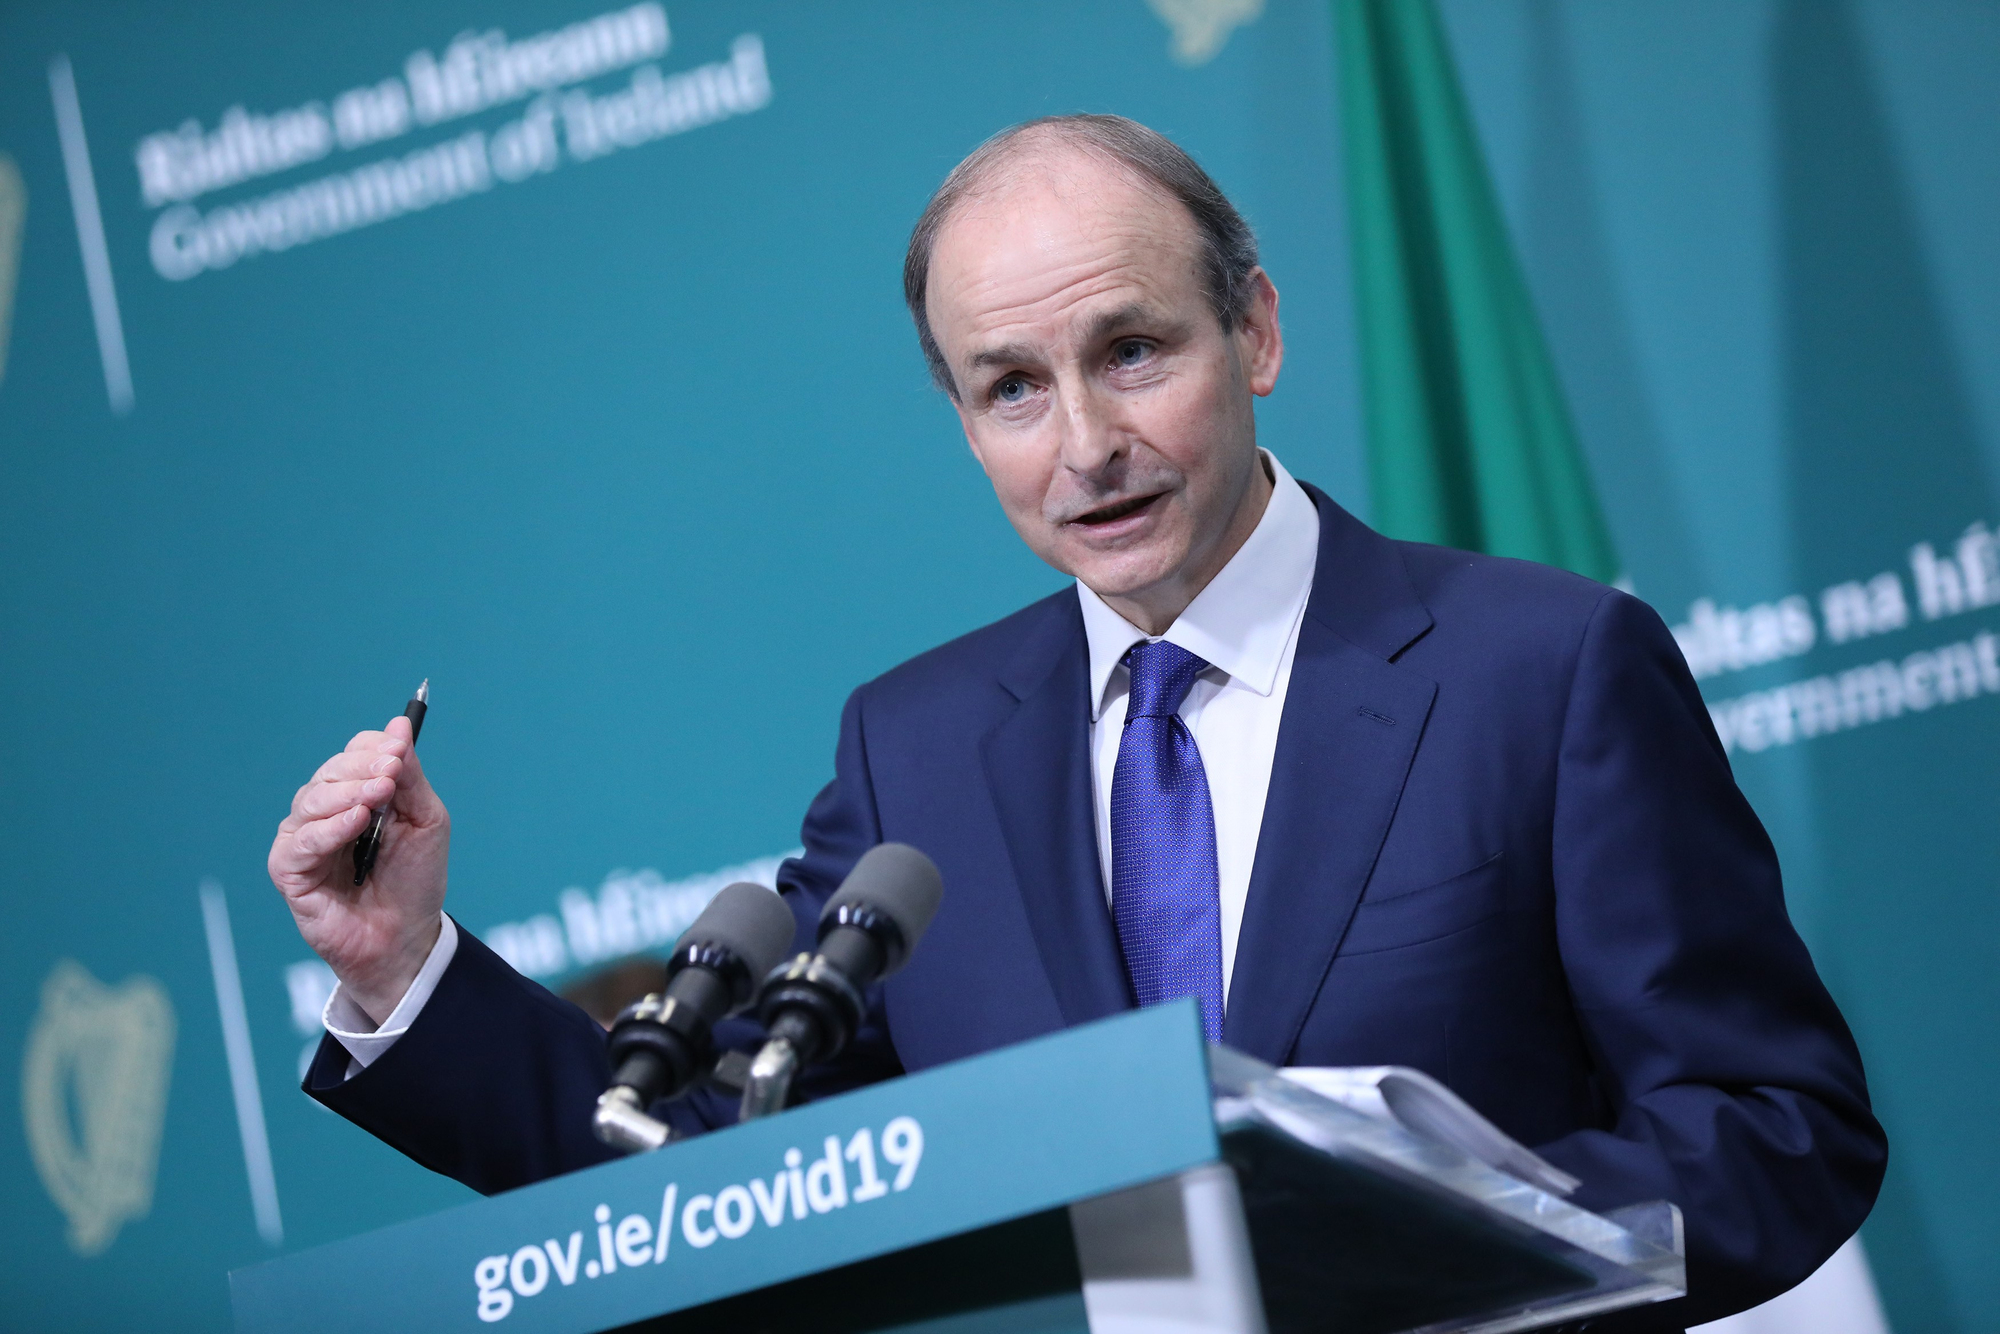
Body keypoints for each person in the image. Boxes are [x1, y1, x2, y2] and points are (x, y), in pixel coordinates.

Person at [269, 115, 1884, 1329]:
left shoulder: (1542, 668)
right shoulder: (916, 751)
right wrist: (401, 967)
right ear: (964, 420)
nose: (1087, 444)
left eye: (1132, 350)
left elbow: (1775, 1133)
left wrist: (1450, 1236)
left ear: (1255, 331)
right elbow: (697, 1173)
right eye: (1014, 388)